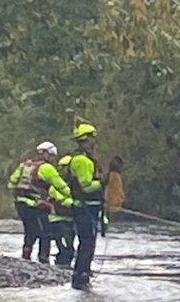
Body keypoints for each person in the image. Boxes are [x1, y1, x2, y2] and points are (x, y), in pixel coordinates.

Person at [7, 141, 72, 263]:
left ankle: (26, 256)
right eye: (52, 156)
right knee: (45, 232)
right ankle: (43, 258)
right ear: (47, 154)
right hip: (36, 205)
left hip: (20, 203)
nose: (53, 159)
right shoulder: (47, 168)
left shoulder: (25, 165)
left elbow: (12, 182)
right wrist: (74, 196)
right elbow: (60, 186)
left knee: (30, 230)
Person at [64, 122, 104, 290]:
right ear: (86, 139)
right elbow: (86, 185)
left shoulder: (81, 159)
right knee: (87, 242)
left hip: (89, 207)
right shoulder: (82, 161)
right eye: (92, 138)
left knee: (87, 242)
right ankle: (81, 277)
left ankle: (82, 274)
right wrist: (103, 182)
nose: (94, 142)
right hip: (85, 207)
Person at [48, 151, 77, 267]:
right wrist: (76, 204)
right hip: (58, 221)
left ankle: (64, 268)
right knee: (66, 248)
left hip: (69, 221)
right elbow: (62, 200)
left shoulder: (74, 184)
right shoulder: (56, 185)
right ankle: (61, 268)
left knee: (69, 247)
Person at [103, 155, 125, 220]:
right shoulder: (115, 177)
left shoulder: (109, 175)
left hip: (111, 205)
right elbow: (116, 192)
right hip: (113, 206)